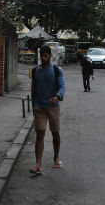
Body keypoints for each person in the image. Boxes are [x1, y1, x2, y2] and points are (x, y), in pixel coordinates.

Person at [30, 45, 66, 175]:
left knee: (55, 133)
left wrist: (57, 96)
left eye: (46, 56)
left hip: (53, 107)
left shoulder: (57, 70)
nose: (43, 58)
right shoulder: (36, 71)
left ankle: (56, 158)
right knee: (40, 134)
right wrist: (33, 106)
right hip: (39, 107)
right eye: (42, 56)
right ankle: (38, 164)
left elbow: (62, 86)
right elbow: (33, 89)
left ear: (50, 56)